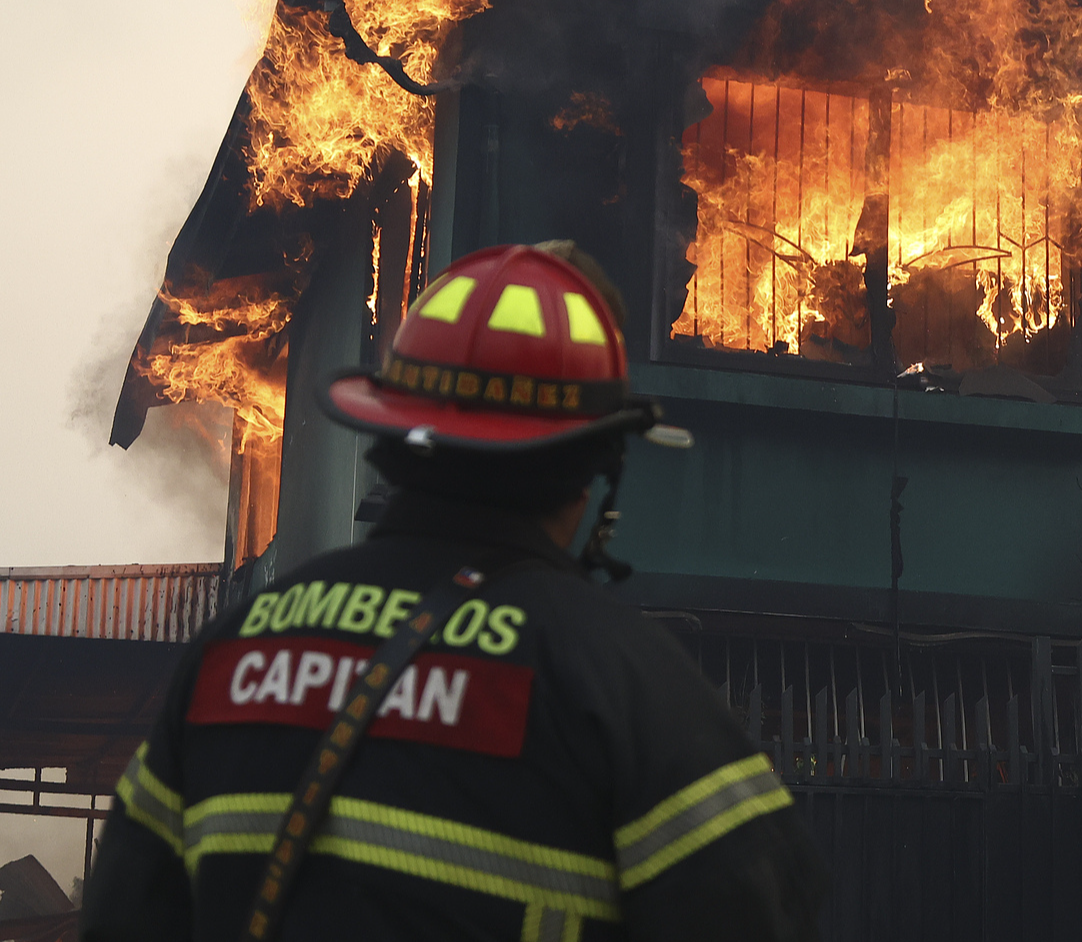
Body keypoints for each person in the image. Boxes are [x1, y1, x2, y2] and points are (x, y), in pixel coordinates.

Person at [82, 242, 827, 942]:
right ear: (593, 467)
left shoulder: (235, 653)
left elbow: (123, 913)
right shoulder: (632, 691)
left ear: (393, 436)